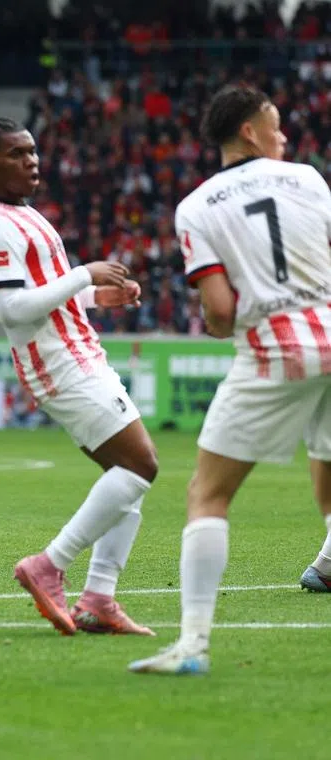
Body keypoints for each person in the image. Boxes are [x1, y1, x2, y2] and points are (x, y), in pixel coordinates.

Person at [130, 85, 331, 675]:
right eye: (276, 125)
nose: (284, 136)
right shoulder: (311, 180)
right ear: (250, 131)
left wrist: (225, 325)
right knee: (327, 471)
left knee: (208, 493)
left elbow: (218, 309)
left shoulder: (196, 206)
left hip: (277, 349)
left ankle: (191, 645)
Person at [0, 117, 159, 636]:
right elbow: (11, 309)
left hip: (78, 353)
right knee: (141, 465)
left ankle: (99, 599)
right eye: (17, 154)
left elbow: (49, 294)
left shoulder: (27, 215)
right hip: (58, 365)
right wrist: (84, 273)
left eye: (33, 152)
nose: (31, 161)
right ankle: (49, 565)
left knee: (128, 482)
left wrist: (99, 296)